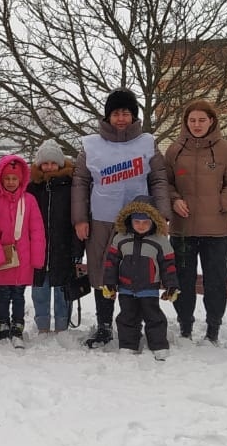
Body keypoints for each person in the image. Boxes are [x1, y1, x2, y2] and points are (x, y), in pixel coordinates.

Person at [73, 88, 171, 349]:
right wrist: (80, 219)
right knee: (100, 272)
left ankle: (134, 326)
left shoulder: (147, 143)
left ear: (133, 115)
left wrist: (161, 216)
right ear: (108, 116)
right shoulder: (90, 145)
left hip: (138, 222)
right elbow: (80, 183)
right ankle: (104, 326)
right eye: (116, 113)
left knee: (136, 273)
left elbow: (159, 179)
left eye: (126, 113)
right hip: (101, 220)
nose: (121, 118)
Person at [163, 99, 227, 343]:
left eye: (202, 120)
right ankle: (185, 325)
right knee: (183, 281)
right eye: (192, 120)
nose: (197, 125)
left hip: (215, 230)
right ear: (186, 122)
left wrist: (223, 203)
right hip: (183, 229)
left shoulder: (226, 150)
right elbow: (165, 182)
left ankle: (213, 327)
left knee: (216, 282)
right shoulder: (174, 150)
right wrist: (175, 200)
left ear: (212, 121)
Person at [102, 196, 179, 361]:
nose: (141, 226)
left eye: (145, 222)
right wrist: (110, 283)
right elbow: (112, 263)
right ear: (130, 220)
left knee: (154, 317)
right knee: (127, 317)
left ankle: (158, 345)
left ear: (153, 221)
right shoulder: (121, 238)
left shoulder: (160, 241)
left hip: (148, 287)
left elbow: (168, 265)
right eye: (137, 222)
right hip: (126, 287)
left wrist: (171, 285)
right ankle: (128, 344)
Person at [0, 155, 46, 345]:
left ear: (21, 180)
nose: (11, 182)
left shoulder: (29, 201)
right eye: (7, 179)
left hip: (23, 258)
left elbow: (37, 231)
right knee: (3, 294)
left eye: (14, 179)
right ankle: (3, 325)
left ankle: (18, 326)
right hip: (3, 258)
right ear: (0, 180)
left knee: (19, 295)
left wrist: (37, 259)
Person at [27, 139, 84, 333]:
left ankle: (62, 326)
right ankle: (42, 326)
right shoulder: (33, 188)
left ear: (60, 163)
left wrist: (77, 249)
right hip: (39, 249)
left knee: (63, 291)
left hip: (64, 248)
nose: (49, 167)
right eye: (45, 163)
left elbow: (78, 218)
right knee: (40, 290)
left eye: (53, 163)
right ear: (39, 164)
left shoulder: (71, 187)